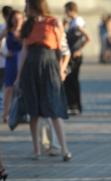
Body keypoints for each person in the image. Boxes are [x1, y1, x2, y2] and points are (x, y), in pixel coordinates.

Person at [17, 0, 71, 161]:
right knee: (33, 111)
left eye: (27, 4)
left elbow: (62, 49)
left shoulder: (54, 22)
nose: (25, 8)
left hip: (49, 66)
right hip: (31, 68)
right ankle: (36, 150)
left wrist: (62, 69)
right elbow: (24, 52)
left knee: (53, 109)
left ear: (35, 6)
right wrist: (18, 77)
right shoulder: (28, 24)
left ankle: (65, 150)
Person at [63, 1, 90, 115]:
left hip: (75, 56)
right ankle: (72, 105)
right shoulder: (73, 21)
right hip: (71, 54)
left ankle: (75, 106)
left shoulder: (77, 22)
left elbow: (88, 37)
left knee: (72, 80)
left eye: (65, 10)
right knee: (69, 80)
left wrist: (79, 49)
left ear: (70, 10)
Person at [2, 10, 23, 123]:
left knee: (23, 88)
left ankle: (22, 113)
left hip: (22, 61)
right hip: (11, 60)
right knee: (8, 88)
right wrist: (3, 53)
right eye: (15, 19)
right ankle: (6, 114)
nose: (17, 21)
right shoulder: (8, 31)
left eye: (19, 18)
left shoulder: (25, 31)